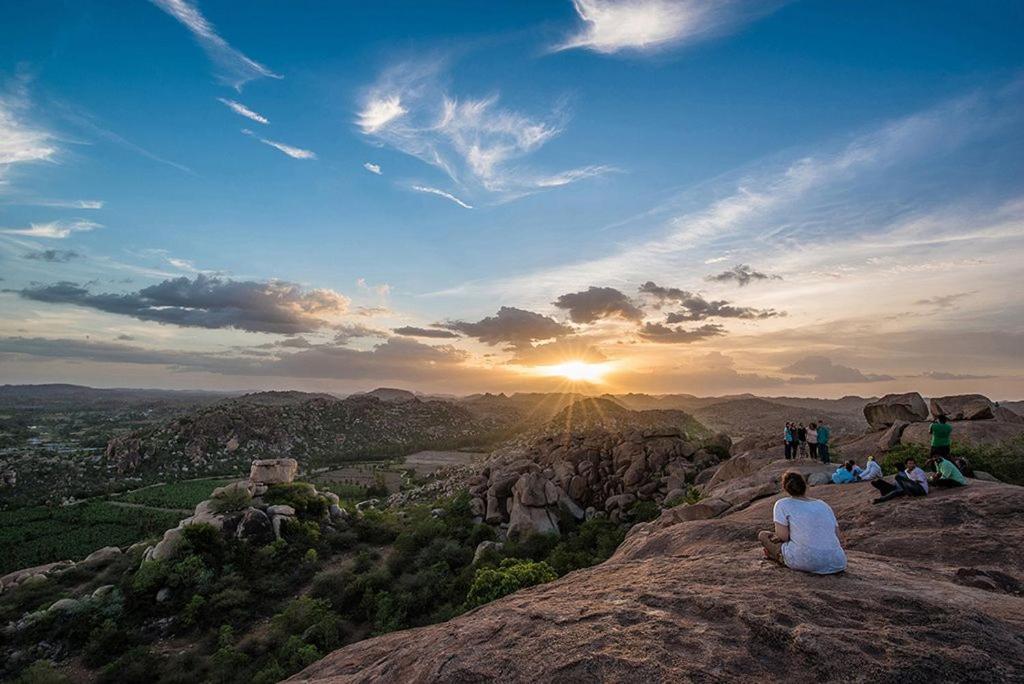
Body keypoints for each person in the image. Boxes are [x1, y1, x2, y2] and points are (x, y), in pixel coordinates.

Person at [757, 471, 847, 574]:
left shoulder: (782, 504)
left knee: (763, 535)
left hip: (806, 561)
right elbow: (837, 536)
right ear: (805, 486)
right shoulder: (823, 505)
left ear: (785, 488)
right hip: (838, 562)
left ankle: (777, 556)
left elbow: (783, 537)